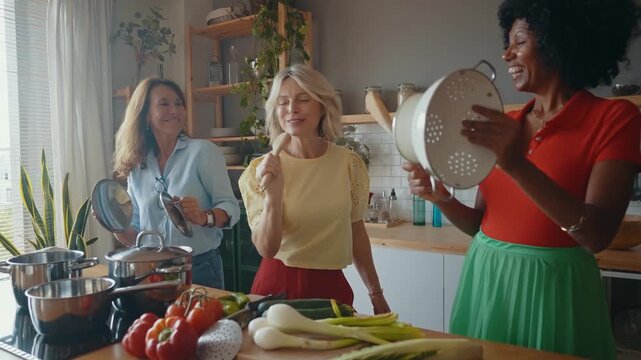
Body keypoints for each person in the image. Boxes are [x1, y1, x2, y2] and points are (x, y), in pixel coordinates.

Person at [404, 0, 641, 358]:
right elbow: (482, 226)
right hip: (487, 279)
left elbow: (596, 235)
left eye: (519, 42)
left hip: (556, 293)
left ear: (559, 42)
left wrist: (516, 164)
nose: (506, 55)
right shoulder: (507, 123)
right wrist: (442, 199)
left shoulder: (615, 118)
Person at [238, 64, 390, 314]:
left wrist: (375, 294)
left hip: (331, 290)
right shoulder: (261, 171)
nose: (291, 109)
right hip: (276, 291)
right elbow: (267, 248)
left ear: (323, 106)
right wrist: (273, 197)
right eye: (283, 102)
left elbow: (356, 232)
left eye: (303, 99)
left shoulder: (348, 164)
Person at [113, 77, 240, 289]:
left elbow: (230, 208)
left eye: (178, 103)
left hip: (199, 268)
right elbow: (137, 229)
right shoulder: (137, 165)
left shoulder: (203, 152)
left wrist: (203, 217)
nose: (175, 110)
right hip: (151, 270)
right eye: (164, 104)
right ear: (145, 115)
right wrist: (117, 227)